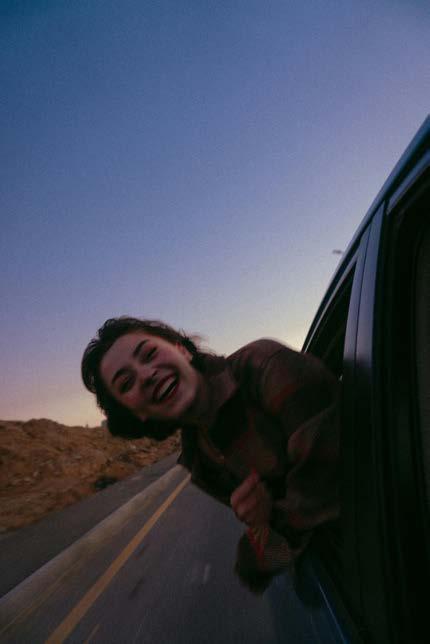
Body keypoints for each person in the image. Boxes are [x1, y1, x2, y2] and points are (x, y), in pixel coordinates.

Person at [81, 316, 340, 593]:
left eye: (149, 354)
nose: (145, 376)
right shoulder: (200, 461)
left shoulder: (265, 367)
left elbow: (329, 488)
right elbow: (278, 537)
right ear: (135, 414)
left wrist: (256, 545)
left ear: (182, 349)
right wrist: (262, 523)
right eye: (126, 383)